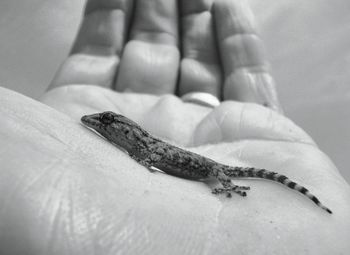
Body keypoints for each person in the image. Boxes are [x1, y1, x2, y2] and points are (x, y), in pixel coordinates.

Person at [0, 0, 349, 254]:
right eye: (105, 121)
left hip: (213, 171)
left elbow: (161, 162)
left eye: (107, 120)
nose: (100, 124)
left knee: (236, 173)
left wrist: (226, 186)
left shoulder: (148, 149)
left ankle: (301, 195)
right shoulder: (144, 148)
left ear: (129, 130)